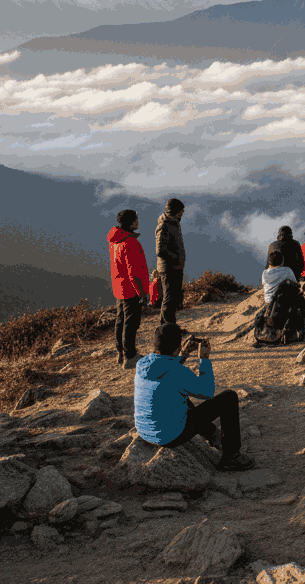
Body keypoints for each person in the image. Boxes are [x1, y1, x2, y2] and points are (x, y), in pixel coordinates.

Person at [134, 323, 254, 472]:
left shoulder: (142, 364)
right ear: (177, 347)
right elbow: (207, 392)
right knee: (229, 397)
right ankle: (232, 456)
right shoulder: (178, 372)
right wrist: (204, 359)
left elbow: (165, 372)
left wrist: (183, 355)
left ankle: (212, 435)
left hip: (144, 431)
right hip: (169, 436)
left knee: (177, 395)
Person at [108, 208, 149, 370]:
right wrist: (142, 293)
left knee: (120, 321)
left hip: (119, 287)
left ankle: (120, 353)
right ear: (131, 222)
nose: (138, 221)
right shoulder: (130, 243)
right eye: (136, 219)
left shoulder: (115, 241)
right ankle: (130, 356)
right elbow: (134, 271)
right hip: (131, 289)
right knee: (131, 324)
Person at [155, 198, 186, 328]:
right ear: (175, 211)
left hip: (175, 267)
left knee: (174, 298)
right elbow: (160, 250)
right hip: (168, 268)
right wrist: (176, 258)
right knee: (169, 298)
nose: (183, 213)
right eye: (181, 211)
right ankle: (167, 328)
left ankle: (170, 326)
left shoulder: (174, 223)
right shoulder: (164, 225)